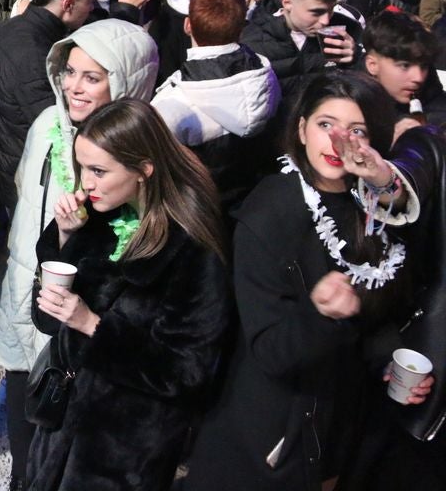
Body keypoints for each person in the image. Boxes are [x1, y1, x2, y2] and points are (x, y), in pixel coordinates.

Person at [184, 73, 429, 490]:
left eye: (357, 131)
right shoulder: (268, 214)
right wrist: (322, 315)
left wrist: (389, 359)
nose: (338, 142)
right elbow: (271, 351)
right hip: (270, 438)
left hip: (342, 423)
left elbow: (376, 310)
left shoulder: (371, 207)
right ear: (300, 129)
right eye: (325, 125)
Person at [27, 98, 231, 490]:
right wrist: (65, 237)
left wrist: (92, 325)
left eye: (99, 171)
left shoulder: (192, 247)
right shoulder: (96, 218)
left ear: (144, 170)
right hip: (59, 431)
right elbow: (47, 321)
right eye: (82, 166)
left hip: (125, 451)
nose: (85, 182)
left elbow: (186, 372)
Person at [0, 18, 158, 491]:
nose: (74, 87)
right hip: (32, 287)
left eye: (93, 77)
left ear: (125, 81)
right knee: (25, 423)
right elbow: (25, 190)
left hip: (91, 323)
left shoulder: (142, 155)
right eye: (69, 72)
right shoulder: (47, 125)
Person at [0, 0, 103, 214]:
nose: (92, 8)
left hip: (10, 165)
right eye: (90, 2)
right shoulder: (36, 54)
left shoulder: (11, 29)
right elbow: (58, 124)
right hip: (30, 178)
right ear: (68, 4)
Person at [151, 0, 281, 208]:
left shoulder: (171, 103)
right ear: (242, 28)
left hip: (200, 215)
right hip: (256, 204)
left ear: (187, 25)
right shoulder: (266, 76)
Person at [242, 0, 362, 107]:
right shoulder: (251, 41)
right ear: (287, 3)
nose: (325, 21)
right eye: (316, 12)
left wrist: (356, 58)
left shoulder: (348, 31)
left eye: (331, 10)